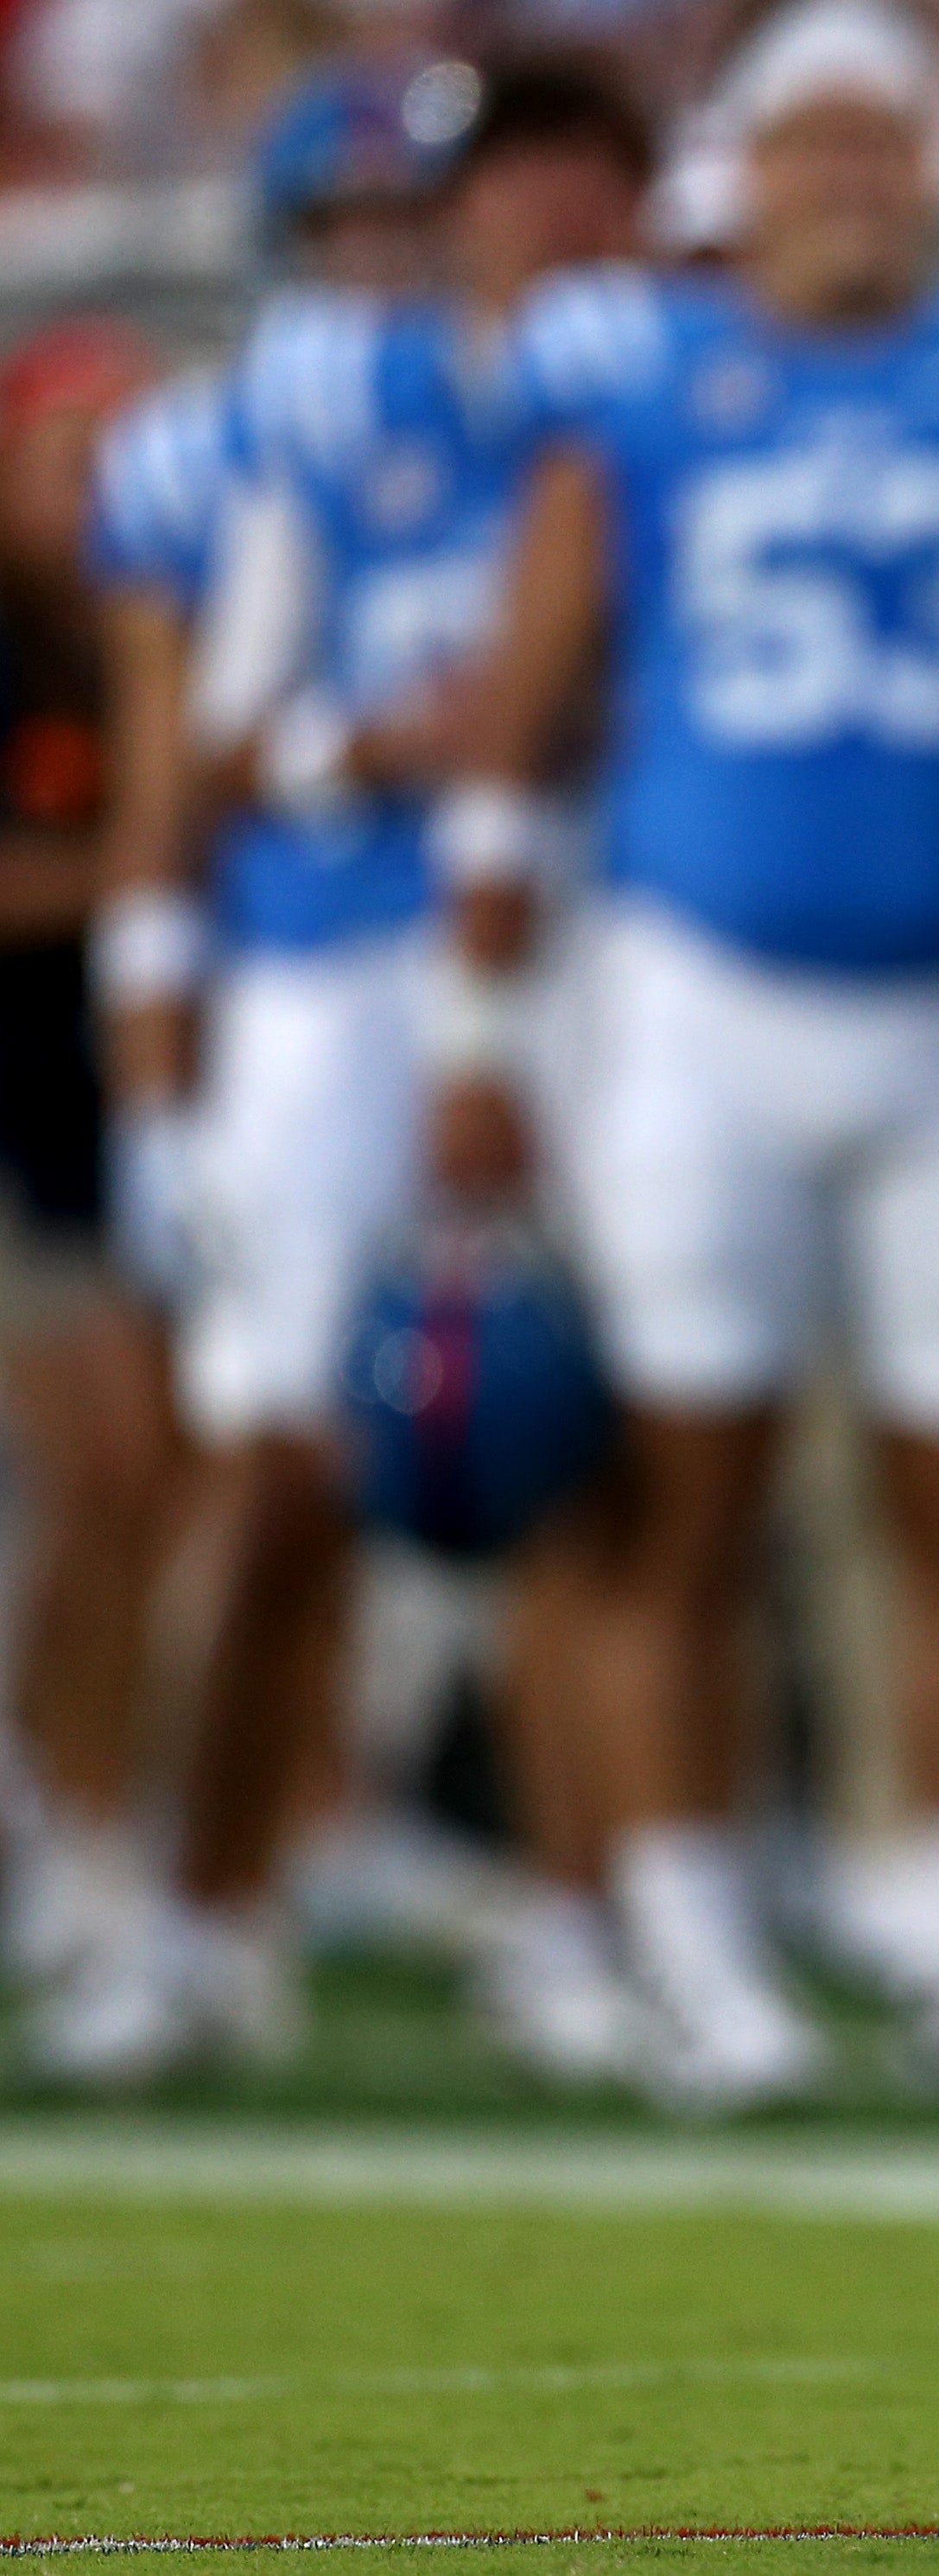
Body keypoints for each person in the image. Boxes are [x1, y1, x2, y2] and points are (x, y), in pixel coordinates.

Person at [435, 0, 939, 2111]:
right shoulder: (644, 381)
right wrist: (476, 1018)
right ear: (750, 176)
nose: (854, 181)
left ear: (933, 167)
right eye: (818, 148)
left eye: (888, 144)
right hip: (698, 998)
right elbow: (519, 723)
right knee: (681, 1502)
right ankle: (694, 1947)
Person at [62, 56, 641, 2088]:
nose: (391, 264)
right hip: (324, 984)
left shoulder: (598, 395)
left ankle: (587, 1921)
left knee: (586, 1465)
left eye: (425, 218)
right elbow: (188, 774)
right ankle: (191, 1915)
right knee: (283, 1477)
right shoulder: (244, 443)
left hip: (573, 960)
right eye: (349, 230)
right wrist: (156, 1088)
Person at [0, 321, 186, 2081]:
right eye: (76, 447)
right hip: (25, 1117)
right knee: (109, 1471)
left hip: (140, 1116)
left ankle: (102, 1817)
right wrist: (148, 848)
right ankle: (73, 1823)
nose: (107, 484)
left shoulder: (159, 635)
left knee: (152, 1491)